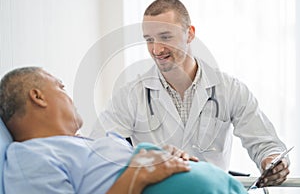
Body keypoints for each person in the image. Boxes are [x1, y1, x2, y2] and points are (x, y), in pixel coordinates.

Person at [90, 0, 290, 188]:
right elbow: (100, 150)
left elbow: (265, 143)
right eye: (149, 39)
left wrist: (272, 162)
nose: (156, 49)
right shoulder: (131, 94)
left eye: (165, 37)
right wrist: (145, 160)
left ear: (190, 33)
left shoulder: (230, 89)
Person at [0, 67, 248, 194]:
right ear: (37, 97)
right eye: (60, 87)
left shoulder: (78, 144)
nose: (69, 96)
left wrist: (159, 155)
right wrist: (138, 174)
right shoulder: (28, 156)